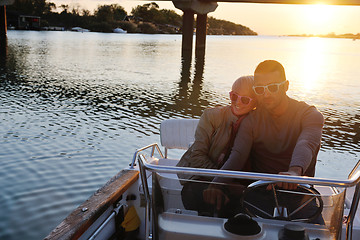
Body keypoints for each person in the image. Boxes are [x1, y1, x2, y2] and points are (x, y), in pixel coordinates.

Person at [204, 60, 324, 221]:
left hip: (300, 195)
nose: (266, 94)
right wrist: (216, 184)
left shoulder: (309, 115)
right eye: (260, 89)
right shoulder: (251, 121)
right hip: (259, 193)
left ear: (286, 86)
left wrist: (294, 172)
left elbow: (306, 143)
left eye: (273, 87)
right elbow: (237, 156)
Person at [176, 75, 257, 217]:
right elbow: (197, 156)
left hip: (237, 182)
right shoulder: (211, 116)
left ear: (255, 103)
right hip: (203, 176)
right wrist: (225, 181)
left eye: (245, 99)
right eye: (234, 96)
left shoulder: (257, 122)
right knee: (198, 194)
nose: (237, 102)